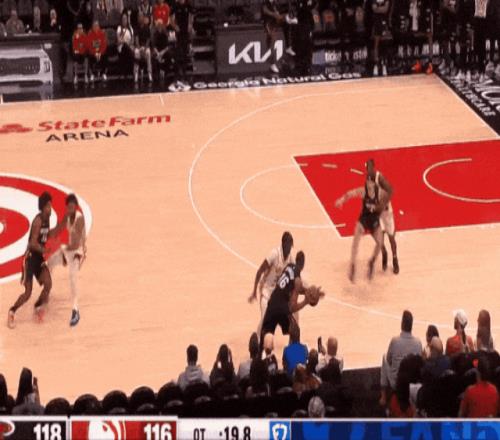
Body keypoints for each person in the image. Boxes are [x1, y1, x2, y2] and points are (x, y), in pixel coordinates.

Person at [8, 192, 67, 329]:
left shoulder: (47, 219)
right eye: (48, 205)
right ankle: (12, 311)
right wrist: (45, 250)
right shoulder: (38, 221)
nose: (51, 208)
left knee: (48, 284)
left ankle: (38, 306)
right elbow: (32, 243)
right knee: (27, 293)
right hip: (30, 259)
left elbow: (49, 234)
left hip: (38, 258)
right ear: (43, 207)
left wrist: (64, 222)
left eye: (51, 205)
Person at [335, 159, 389, 281]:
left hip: (374, 221)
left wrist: (382, 209)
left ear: (374, 183)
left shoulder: (379, 193)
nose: (369, 184)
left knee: (380, 243)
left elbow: (387, 198)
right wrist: (341, 200)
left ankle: (371, 262)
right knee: (355, 242)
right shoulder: (363, 191)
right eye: (367, 181)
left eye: (370, 182)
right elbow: (350, 193)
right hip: (364, 220)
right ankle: (353, 265)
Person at [47, 194, 87, 327]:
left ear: (76, 207)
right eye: (68, 207)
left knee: (72, 278)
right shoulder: (67, 216)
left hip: (78, 251)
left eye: (72, 207)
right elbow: (57, 230)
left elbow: (76, 244)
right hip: (68, 249)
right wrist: (44, 233)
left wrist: (64, 249)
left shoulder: (80, 219)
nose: (70, 209)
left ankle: (76, 310)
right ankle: (47, 291)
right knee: (50, 262)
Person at [249, 232, 294, 337]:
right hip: (266, 291)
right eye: (289, 246)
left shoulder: (290, 258)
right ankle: (258, 340)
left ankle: (291, 341)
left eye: (291, 247)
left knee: (288, 319)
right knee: (265, 319)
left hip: (277, 295)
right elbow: (260, 271)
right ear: (283, 244)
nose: (290, 249)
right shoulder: (274, 254)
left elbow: (294, 277)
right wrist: (254, 291)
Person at [260, 251, 311, 340]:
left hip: (272, 302)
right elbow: (293, 307)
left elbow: (295, 287)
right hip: (282, 307)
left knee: (266, 332)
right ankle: (293, 346)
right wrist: (305, 302)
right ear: (303, 264)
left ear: (296, 260)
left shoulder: (289, 267)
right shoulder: (297, 279)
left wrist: (306, 291)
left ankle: (261, 345)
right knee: (295, 330)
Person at [379, 310, 422, 407]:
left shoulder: (395, 341)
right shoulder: (418, 342)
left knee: (384, 358)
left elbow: (389, 360)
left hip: (397, 383)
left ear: (402, 324)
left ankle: (383, 395)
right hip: (413, 382)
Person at [262, 0, 297, 73]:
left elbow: (277, 13)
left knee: (287, 24)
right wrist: (275, 14)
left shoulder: (274, 3)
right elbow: (266, 11)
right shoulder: (265, 3)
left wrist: (280, 15)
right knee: (272, 42)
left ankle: (288, 47)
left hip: (275, 22)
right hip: (268, 23)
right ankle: (272, 64)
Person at [171, 0, 193, 80]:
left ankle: (184, 70)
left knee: (185, 51)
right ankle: (178, 70)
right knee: (178, 51)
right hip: (179, 31)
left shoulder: (188, 5)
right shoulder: (175, 6)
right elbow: (171, 18)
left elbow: (191, 15)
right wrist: (174, 26)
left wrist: (190, 24)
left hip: (186, 31)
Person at [371, 0, 390, 76]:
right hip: (376, 23)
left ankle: (384, 65)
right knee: (376, 45)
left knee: (384, 44)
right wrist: (381, 8)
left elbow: (386, 9)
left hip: (384, 22)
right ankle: (376, 65)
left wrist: (378, 8)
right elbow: (374, 9)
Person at [134, 13, 153, 83]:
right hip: (138, 46)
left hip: (145, 47)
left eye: (141, 17)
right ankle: (136, 74)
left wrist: (144, 49)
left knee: (148, 52)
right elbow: (136, 39)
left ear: (143, 18)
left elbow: (148, 40)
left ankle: (149, 73)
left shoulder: (147, 28)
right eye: (139, 17)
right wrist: (140, 49)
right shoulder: (136, 28)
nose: (140, 18)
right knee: (136, 53)